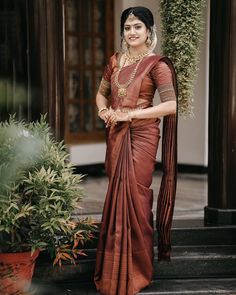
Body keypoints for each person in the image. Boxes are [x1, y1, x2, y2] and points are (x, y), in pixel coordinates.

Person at [94, 6, 178, 295]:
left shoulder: (158, 65)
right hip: (116, 135)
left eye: (138, 27)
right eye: (127, 27)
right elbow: (101, 92)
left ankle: (137, 272)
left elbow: (170, 105)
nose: (131, 32)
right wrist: (104, 110)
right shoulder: (115, 61)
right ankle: (113, 271)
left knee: (137, 200)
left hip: (141, 134)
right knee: (116, 197)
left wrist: (129, 115)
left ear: (149, 31)